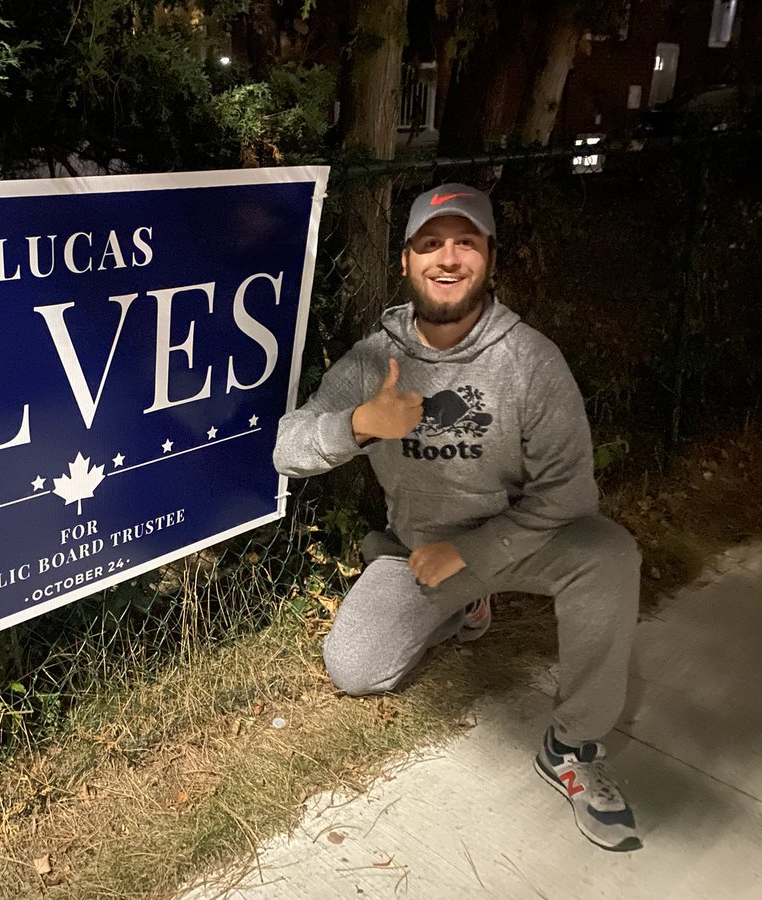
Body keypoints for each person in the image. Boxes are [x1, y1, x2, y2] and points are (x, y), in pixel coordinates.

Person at [272, 183, 642, 852]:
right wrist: (358, 424)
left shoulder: (531, 362)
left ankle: (572, 746)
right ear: (407, 263)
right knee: (353, 669)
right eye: (430, 243)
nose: (448, 257)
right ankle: (463, 610)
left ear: (491, 260)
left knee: (608, 554)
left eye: (465, 242)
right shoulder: (373, 359)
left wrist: (475, 554)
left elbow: (569, 495)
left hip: (513, 542)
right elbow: (287, 447)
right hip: (418, 549)